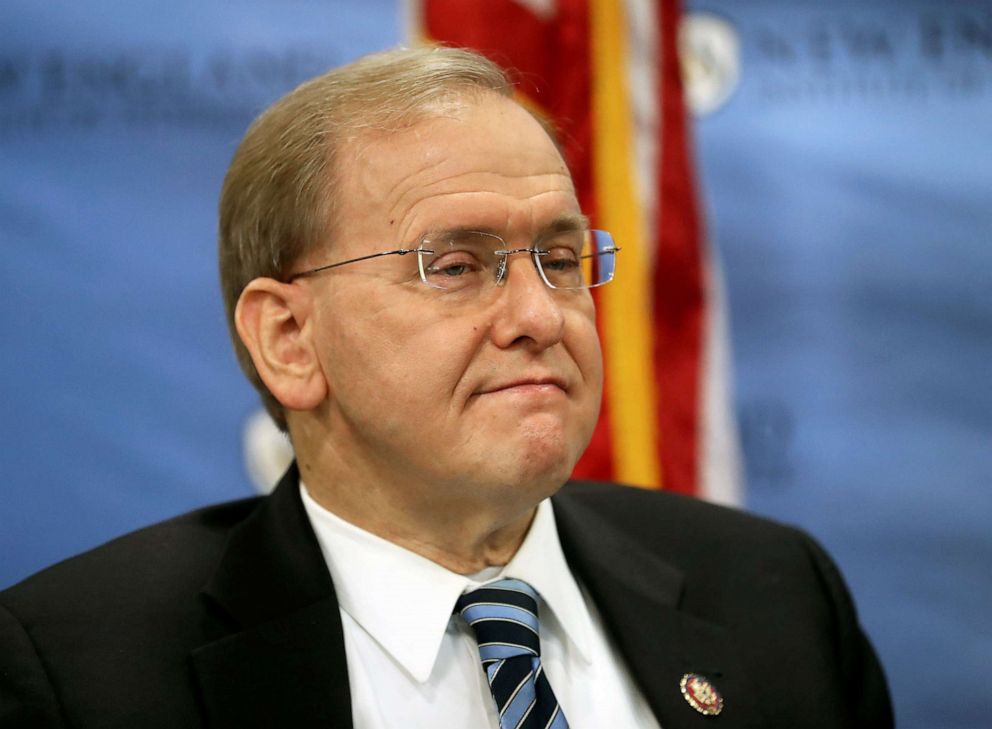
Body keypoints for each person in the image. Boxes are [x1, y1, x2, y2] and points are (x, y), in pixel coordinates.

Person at [0, 46, 892, 728]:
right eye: (456, 265)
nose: (539, 315)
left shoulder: (774, 596)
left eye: (558, 256)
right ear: (289, 339)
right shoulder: (81, 673)